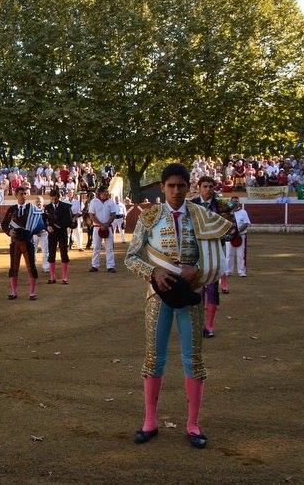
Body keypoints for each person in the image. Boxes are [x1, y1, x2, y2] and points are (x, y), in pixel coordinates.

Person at [125, 163, 232, 449]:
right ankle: (150, 421)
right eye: (170, 185)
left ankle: (193, 424)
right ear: (162, 187)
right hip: (157, 296)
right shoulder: (149, 217)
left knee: (193, 360)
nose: (175, 190)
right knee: (153, 358)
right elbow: (132, 257)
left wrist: (195, 270)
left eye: (181, 185)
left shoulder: (201, 216)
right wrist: (153, 273)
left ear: (188, 187)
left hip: (190, 295)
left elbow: (217, 260)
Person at [191, 176, 229, 338]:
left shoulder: (221, 204)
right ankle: (196, 324)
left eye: (210, 186)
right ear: (198, 187)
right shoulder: (191, 204)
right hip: (196, 252)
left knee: (212, 289)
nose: (208, 189)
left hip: (214, 250)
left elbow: (229, 227)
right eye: (205, 186)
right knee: (195, 288)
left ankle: (209, 326)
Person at [1, 185, 44, 300]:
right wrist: (9, 231)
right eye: (21, 194)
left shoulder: (32, 209)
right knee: (14, 267)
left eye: (25, 194)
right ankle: (13, 291)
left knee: (31, 266)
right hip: (15, 242)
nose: (24, 196)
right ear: (16, 196)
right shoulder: (12, 209)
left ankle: (32, 292)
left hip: (28, 241)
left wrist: (35, 230)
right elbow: (4, 224)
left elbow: (40, 222)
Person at [44, 189, 73, 284]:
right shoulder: (47, 207)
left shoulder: (65, 206)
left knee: (64, 253)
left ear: (58, 197)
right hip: (52, 234)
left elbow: (68, 221)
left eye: (55, 199)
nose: (53, 201)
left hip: (62, 233)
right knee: (51, 253)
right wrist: (47, 227)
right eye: (52, 199)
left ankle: (65, 277)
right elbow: (44, 221)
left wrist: (58, 226)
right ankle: (52, 277)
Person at [88, 187, 118, 273]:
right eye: (105, 192)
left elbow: (113, 214)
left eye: (107, 192)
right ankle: (94, 265)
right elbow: (92, 215)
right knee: (96, 247)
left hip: (108, 227)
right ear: (100, 193)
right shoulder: (94, 201)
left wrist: (107, 224)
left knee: (109, 248)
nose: (107, 194)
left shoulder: (111, 202)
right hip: (97, 227)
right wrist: (101, 224)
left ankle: (110, 266)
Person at [225, 196, 251, 280]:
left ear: (238, 203)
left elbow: (246, 223)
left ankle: (241, 271)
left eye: (236, 201)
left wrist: (238, 231)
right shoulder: (227, 213)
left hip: (240, 235)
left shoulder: (243, 212)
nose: (234, 203)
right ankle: (228, 270)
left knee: (240, 254)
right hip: (229, 236)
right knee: (229, 254)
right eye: (233, 201)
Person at [32, 196, 50, 274]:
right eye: (37, 201)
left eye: (40, 202)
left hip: (44, 233)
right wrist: (35, 232)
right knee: (32, 251)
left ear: (43, 203)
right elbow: (30, 224)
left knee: (45, 251)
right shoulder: (31, 212)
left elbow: (48, 223)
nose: (38, 203)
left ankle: (46, 267)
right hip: (33, 234)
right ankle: (33, 267)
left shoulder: (46, 212)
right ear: (34, 203)